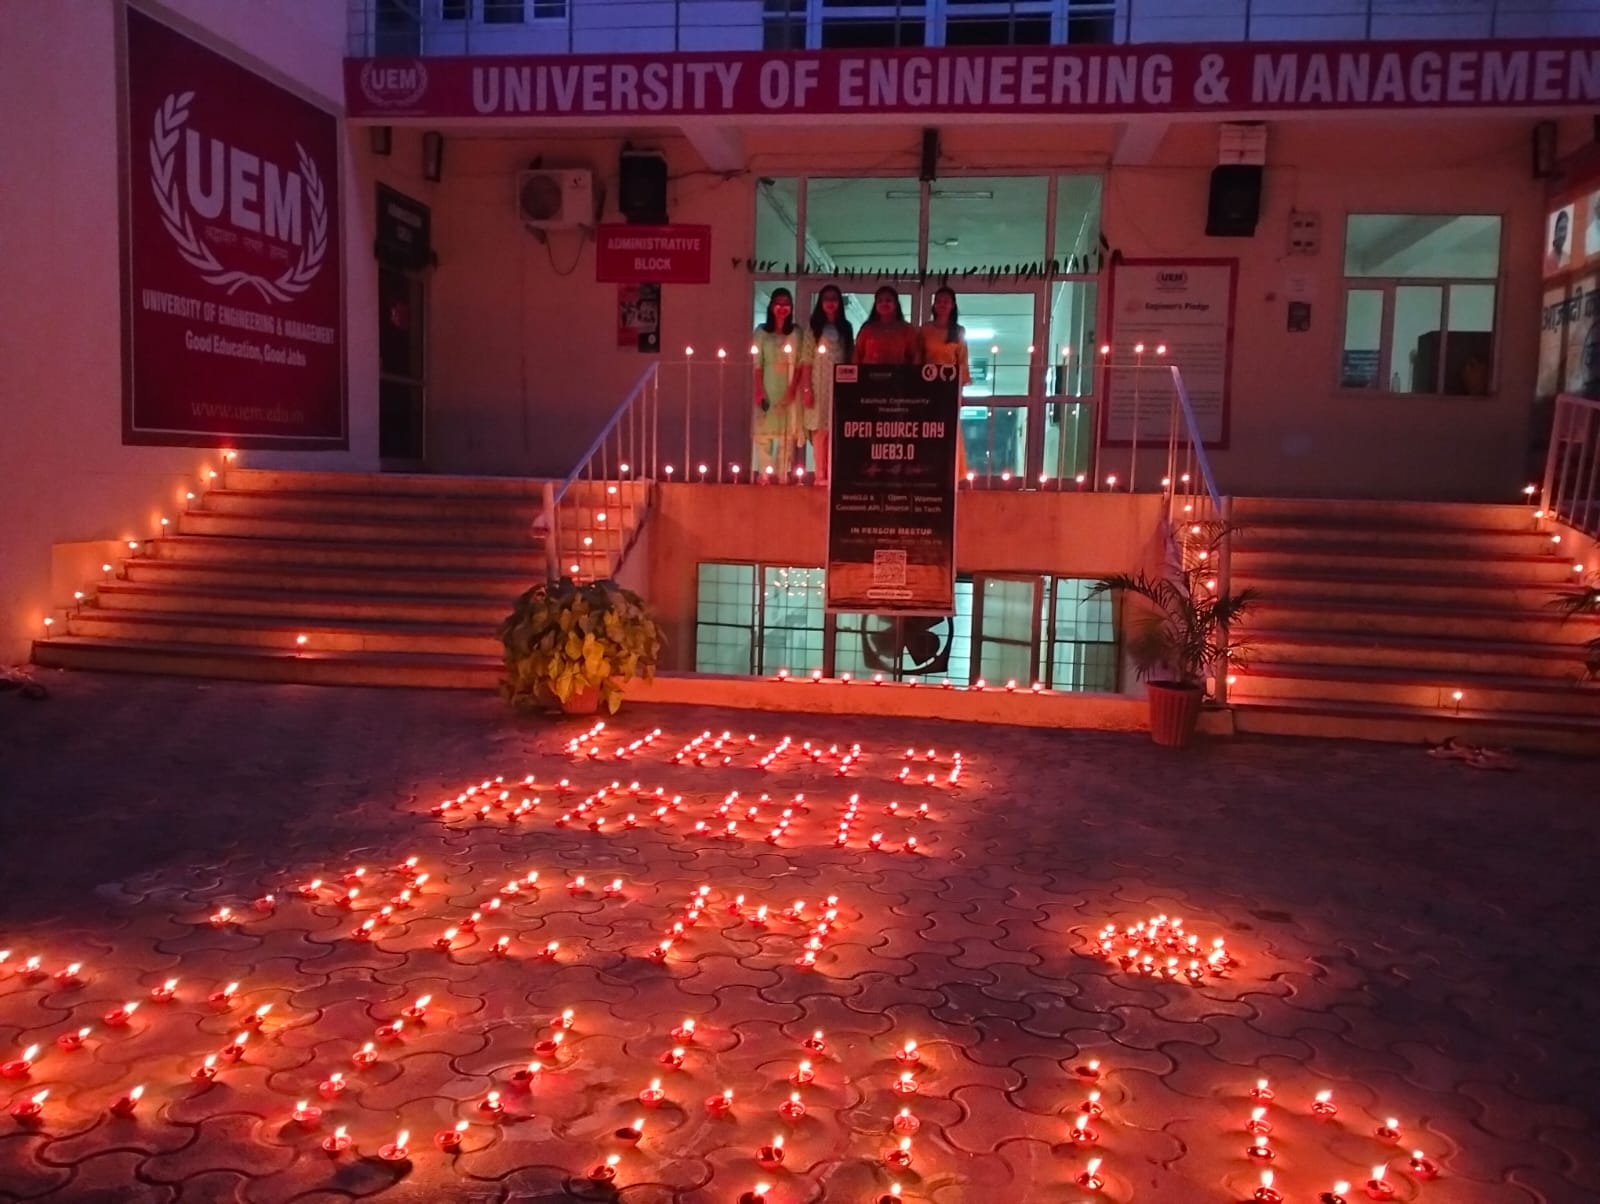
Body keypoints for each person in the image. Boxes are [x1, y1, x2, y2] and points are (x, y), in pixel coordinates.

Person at [798, 284, 854, 483]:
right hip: (818, 383)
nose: (830, 303)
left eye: (834, 299)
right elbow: (806, 359)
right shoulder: (813, 328)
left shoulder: (846, 328)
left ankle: (832, 474)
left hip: (838, 384)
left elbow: (849, 357)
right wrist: (806, 389)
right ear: (821, 303)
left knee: (834, 430)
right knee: (819, 431)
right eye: (826, 299)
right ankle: (820, 475)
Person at [917, 286, 973, 481]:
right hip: (926, 386)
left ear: (953, 305)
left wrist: (960, 393)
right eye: (939, 300)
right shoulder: (925, 329)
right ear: (934, 304)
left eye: (946, 301)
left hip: (948, 387)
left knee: (949, 429)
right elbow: (918, 357)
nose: (942, 304)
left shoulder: (958, 332)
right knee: (928, 428)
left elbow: (962, 362)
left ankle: (952, 472)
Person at [751, 288, 801, 476]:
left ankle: (783, 478)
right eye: (778, 303)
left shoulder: (796, 332)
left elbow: (799, 364)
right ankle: (765, 477)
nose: (782, 307)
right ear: (771, 306)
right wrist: (759, 389)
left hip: (788, 387)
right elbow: (757, 362)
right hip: (767, 385)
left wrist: (792, 389)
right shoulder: (761, 332)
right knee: (764, 434)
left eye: (786, 303)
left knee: (786, 437)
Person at [853, 286, 919, 365]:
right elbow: (857, 356)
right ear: (875, 305)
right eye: (880, 301)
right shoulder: (867, 329)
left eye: (888, 300)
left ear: (896, 304)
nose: (884, 303)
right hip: (869, 375)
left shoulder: (907, 329)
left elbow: (915, 357)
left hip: (898, 375)